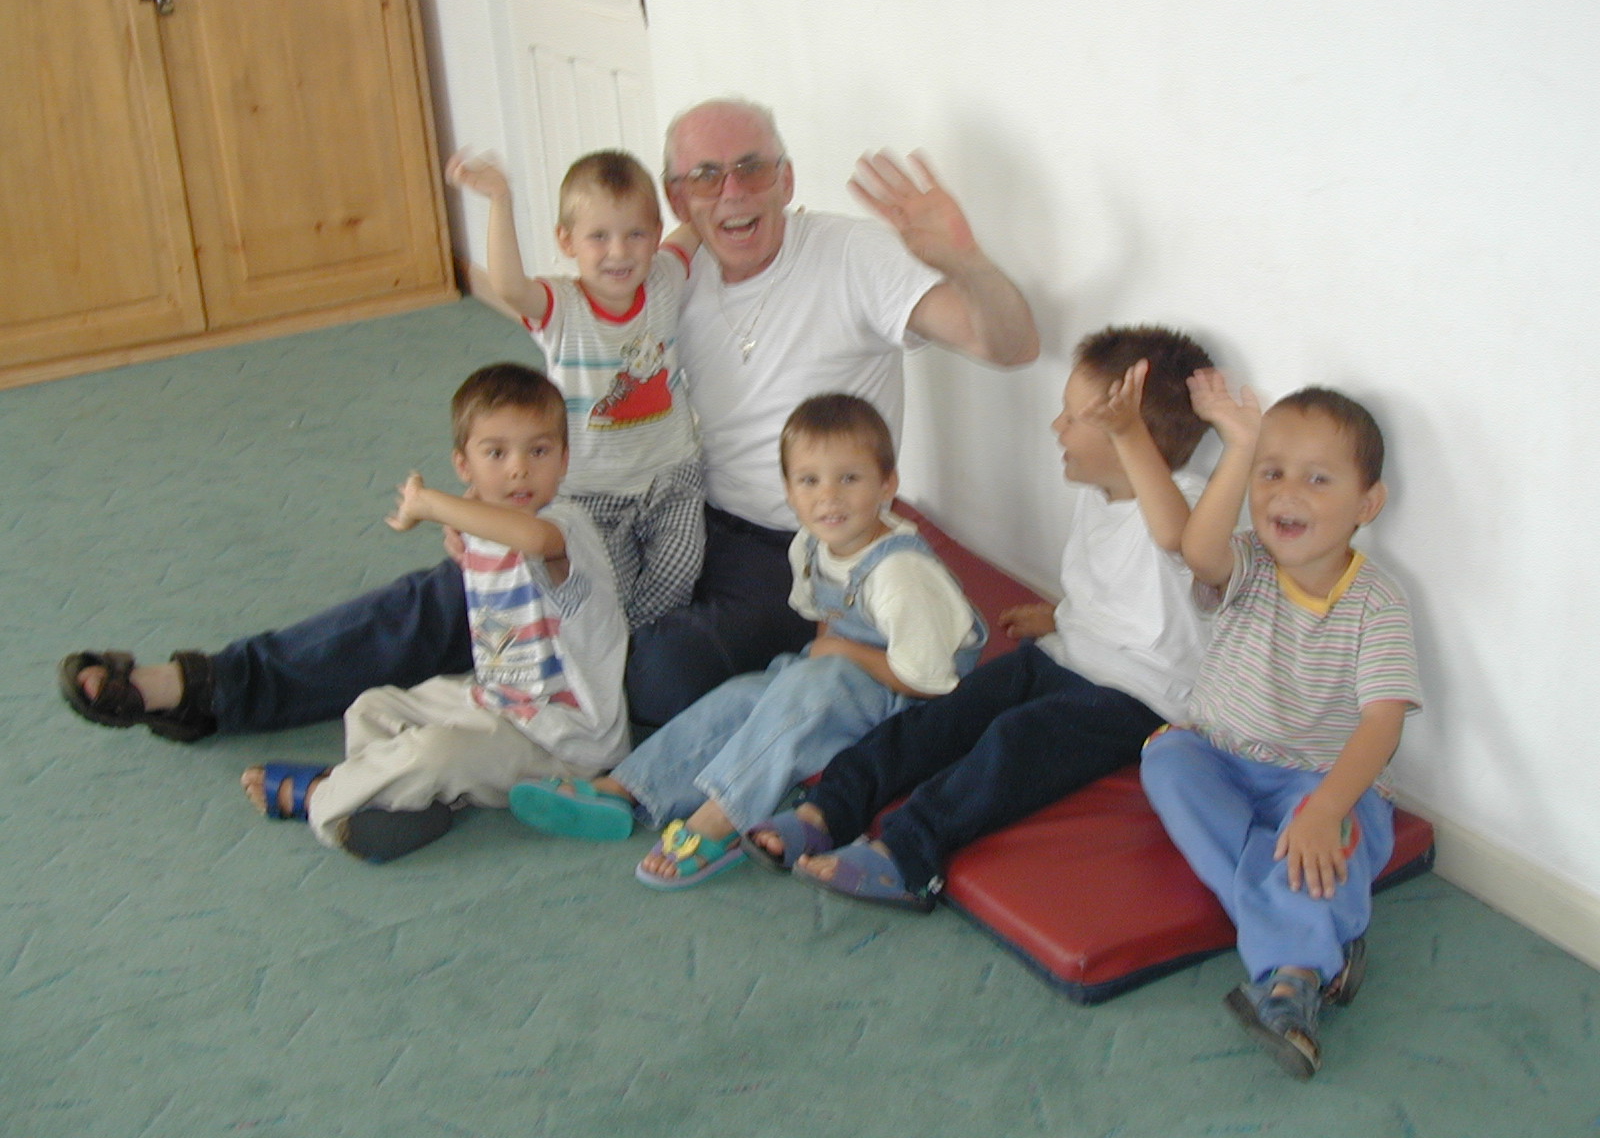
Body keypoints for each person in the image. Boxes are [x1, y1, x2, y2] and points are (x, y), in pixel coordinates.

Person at [57, 97, 1037, 746]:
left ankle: (508, 715)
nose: (730, 193)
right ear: (675, 206)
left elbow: (1008, 344)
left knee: (653, 681)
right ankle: (198, 686)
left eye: (751, 169)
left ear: (786, 177)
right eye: (703, 179)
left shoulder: (854, 257)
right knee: (453, 591)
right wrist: (504, 508)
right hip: (658, 499)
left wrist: (964, 257)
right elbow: (564, 347)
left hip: (788, 545)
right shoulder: (663, 272)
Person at [748, 326, 1215, 911]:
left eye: (1074, 418)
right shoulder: (1100, 494)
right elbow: (1137, 594)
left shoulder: (1190, 503)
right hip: (1066, 656)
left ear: (1130, 435)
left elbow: (1172, 542)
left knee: (1014, 743)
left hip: (1137, 698)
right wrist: (1064, 615)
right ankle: (826, 809)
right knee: (944, 717)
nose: (1056, 428)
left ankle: (906, 857)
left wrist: (1130, 436)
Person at [508, 394, 987, 890]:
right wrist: (803, 674)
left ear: (887, 483)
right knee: (746, 694)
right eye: (809, 481)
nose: (829, 498)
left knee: (818, 686)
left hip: (916, 698)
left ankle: (724, 816)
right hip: (847, 671)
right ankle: (628, 787)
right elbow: (826, 622)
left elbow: (932, 683)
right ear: (788, 490)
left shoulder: (899, 573)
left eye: (850, 478)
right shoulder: (811, 544)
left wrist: (834, 659)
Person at [1139, 374, 1422, 1079]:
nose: (1285, 493)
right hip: (1222, 758)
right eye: (1271, 473)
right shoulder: (1249, 563)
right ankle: (1322, 937)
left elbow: (1381, 726)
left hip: (1327, 783)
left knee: (1327, 842)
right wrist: (1238, 445)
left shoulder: (1379, 603)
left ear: (1367, 503)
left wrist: (1326, 810)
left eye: (1317, 479)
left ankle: (1292, 980)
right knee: (1164, 760)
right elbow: (1197, 551)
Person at [239, 364, 630, 862]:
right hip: (498, 701)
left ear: (564, 459)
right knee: (371, 707)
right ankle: (395, 802)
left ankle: (325, 795)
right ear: (463, 465)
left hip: (564, 742)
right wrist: (464, 519)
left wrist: (433, 504)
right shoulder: (483, 524)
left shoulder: (563, 525)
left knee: (435, 753)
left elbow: (531, 541)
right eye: (496, 453)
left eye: (539, 451)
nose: (518, 469)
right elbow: (490, 541)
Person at [445, 148, 704, 631]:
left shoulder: (666, 277)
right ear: (566, 241)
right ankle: (618, 647)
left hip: (672, 477)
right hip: (591, 490)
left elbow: (696, 226)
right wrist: (501, 200)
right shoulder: (561, 306)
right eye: (598, 237)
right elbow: (506, 284)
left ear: (655, 236)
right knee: (607, 587)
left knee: (679, 574)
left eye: (636, 235)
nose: (619, 252)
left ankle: (637, 646)